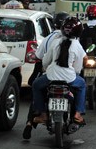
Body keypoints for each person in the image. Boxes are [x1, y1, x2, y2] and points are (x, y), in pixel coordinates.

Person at [31, 16, 88, 125]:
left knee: (36, 85)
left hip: (51, 76)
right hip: (70, 78)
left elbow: (46, 61)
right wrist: (74, 72)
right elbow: (79, 67)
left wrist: (46, 68)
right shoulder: (77, 45)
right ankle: (78, 114)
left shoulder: (55, 42)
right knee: (82, 85)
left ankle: (42, 114)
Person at [22, 11, 69, 139]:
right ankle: (77, 115)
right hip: (67, 76)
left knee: (37, 90)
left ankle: (30, 122)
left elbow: (40, 58)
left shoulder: (48, 39)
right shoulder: (72, 39)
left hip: (49, 74)